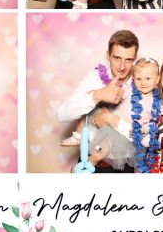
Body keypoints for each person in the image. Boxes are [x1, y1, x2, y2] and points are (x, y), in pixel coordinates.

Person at [56, 30, 139, 173]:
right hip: (90, 163)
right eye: (117, 58)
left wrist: (111, 119)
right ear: (108, 55)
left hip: (124, 166)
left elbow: (144, 135)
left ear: (135, 59)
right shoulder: (94, 77)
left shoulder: (143, 82)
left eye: (128, 60)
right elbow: (62, 114)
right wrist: (98, 95)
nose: (122, 66)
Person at [62, 58, 163, 174]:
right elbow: (115, 96)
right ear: (133, 79)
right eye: (139, 79)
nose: (143, 82)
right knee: (89, 113)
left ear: (157, 79)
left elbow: (155, 121)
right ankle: (78, 137)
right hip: (110, 124)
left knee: (102, 151)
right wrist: (110, 94)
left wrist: (146, 127)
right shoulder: (129, 90)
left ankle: (86, 165)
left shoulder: (158, 103)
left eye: (148, 78)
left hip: (124, 134)